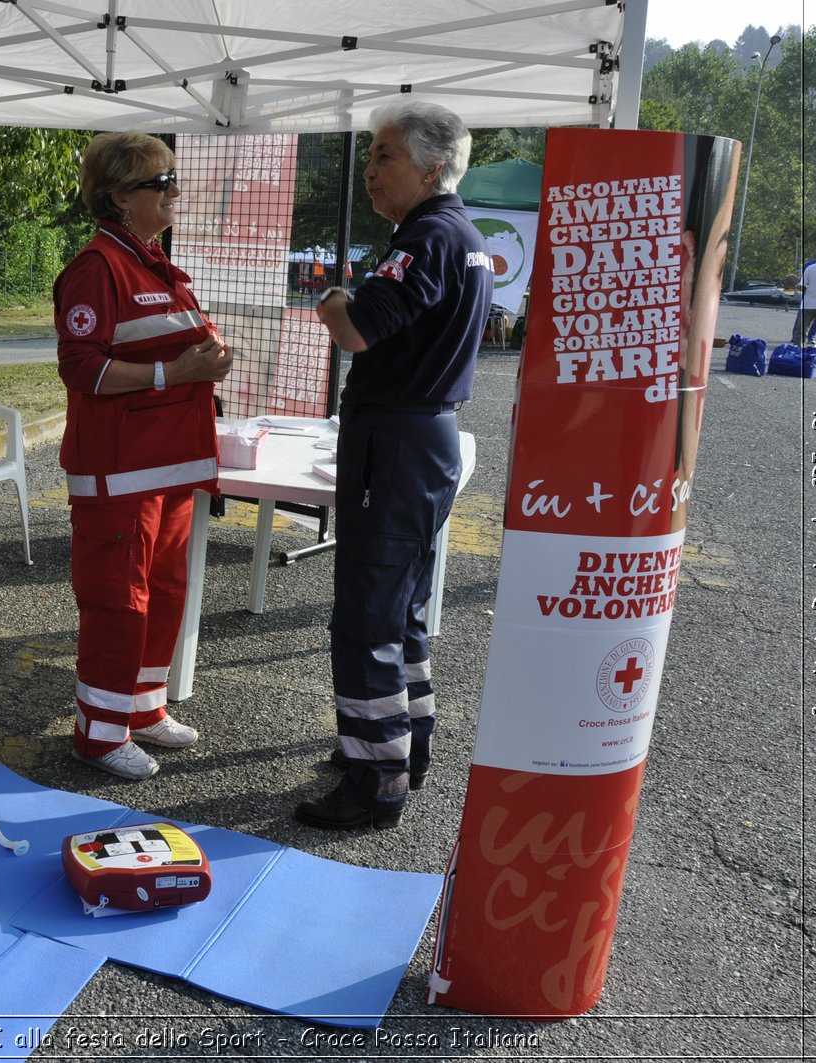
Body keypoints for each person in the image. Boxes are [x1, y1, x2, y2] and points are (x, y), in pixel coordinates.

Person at [299, 100, 492, 830]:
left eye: (383, 156)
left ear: (432, 165)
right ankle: (404, 745)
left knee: (367, 616)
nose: (371, 170)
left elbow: (354, 329)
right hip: (425, 435)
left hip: (398, 440)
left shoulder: (425, 237)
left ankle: (374, 778)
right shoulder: (463, 235)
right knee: (403, 608)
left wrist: (335, 295)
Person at [53, 131, 235, 781]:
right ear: (119, 198)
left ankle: (141, 707)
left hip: (168, 465)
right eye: (161, 182)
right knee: (118, 599)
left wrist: (202, 362)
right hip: (121, 468)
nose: (174, 191)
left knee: (164, 589)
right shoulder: (96, 269)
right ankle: (98, 735)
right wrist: (177, 371)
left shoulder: (153, 261)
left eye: (172, 179)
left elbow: (170, 346)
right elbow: (82, 367)